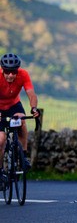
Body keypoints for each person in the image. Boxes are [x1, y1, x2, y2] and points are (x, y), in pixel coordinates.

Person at [0, 53, 40, 183]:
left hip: (14, 105)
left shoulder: (23, 74)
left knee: (21, 121)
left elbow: (31, 94)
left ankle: (23, 155)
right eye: (7, 72)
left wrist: (33, 108)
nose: (10, 75)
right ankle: (0, 171)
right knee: (1, 140)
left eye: (13, 72)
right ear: (2, 70)